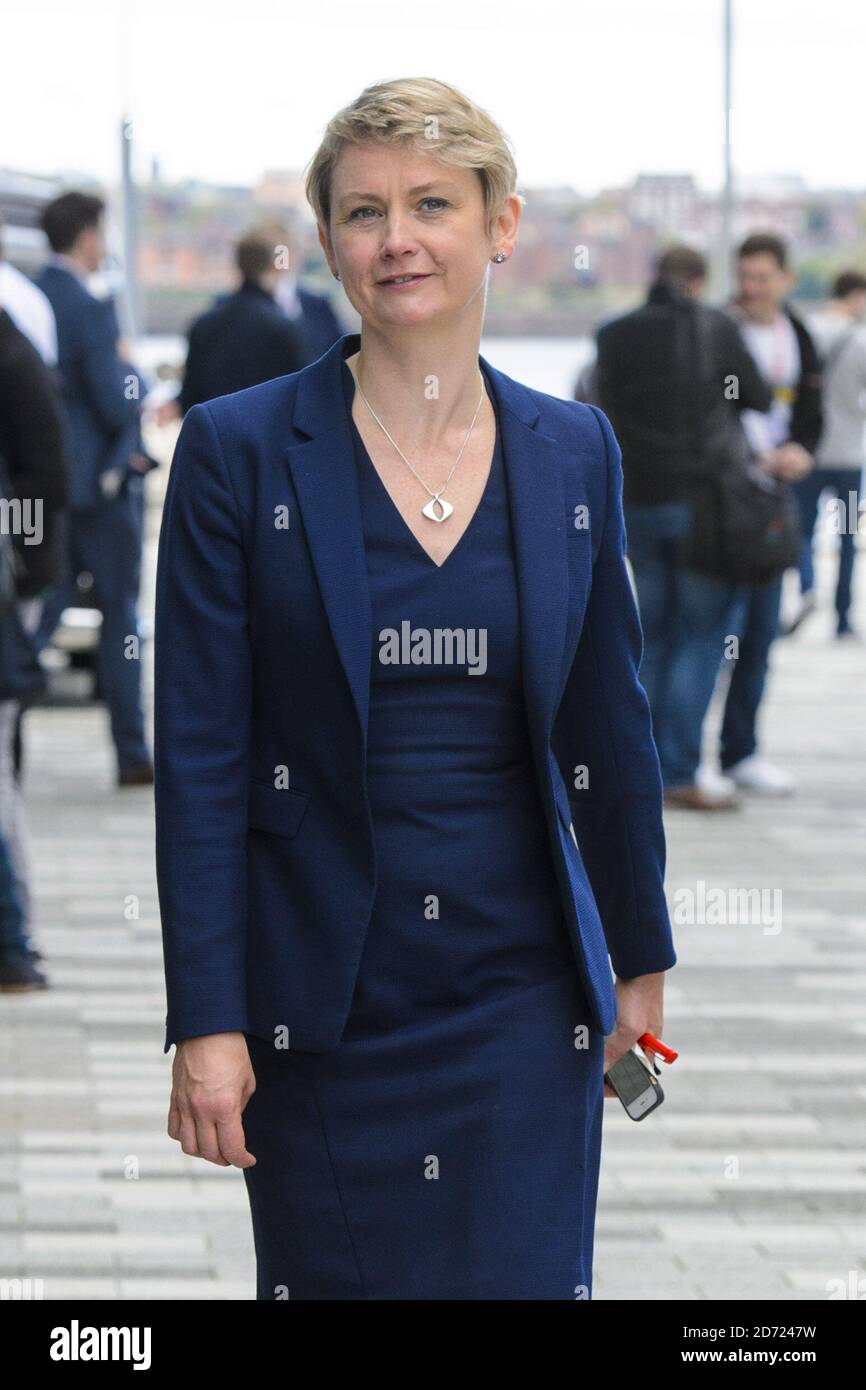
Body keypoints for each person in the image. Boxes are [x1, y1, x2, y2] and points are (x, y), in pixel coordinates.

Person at [155, 76, 678, 1302]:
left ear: (500, 224)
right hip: (320, 1002)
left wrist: (636, 956)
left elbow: (610, 719)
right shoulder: (237, 451)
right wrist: (207, 1020)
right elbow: (201, 758)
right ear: (328, 245)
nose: (396, 238)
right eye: (362, 211)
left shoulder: (573, 449)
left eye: (432, 203)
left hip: (522, 993)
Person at [595, 245, 772, 810]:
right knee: (701, 637)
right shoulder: (714, 325)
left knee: (651, 636)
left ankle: (636, 767)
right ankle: (677, 772)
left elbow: (600, 402)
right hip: (703, 504)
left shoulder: (612, 333)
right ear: (698, 281)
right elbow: (757, 396)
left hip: (638, 501)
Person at [34, 191, 154, 787]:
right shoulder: (91, 307)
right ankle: (132, 754)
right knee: (120, 621)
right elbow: (116, 399)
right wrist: (136, 375)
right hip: (102, 490)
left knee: (38, 615)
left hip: (48, 487)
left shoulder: (30, 300)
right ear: (86, 236)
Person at [717, 233, 821, 796]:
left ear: (785, 277)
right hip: (724, 499)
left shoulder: (798, 334)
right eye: (745, 276)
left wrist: (801, 450)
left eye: (762, 277)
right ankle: (687, 760)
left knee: (758, 634)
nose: (751, 287)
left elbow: (812, 410)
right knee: (713, 634)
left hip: (776, 501)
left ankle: (743, 752)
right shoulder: (718, 332)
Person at [0, 304, 69, 989]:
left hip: (11, 583)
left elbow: (46, 474)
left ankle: (15, 940)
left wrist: (23, 566)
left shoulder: (14, 359)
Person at [787, 269, 866, 638]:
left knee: (801, 531)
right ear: (857, 296)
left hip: (809, 456)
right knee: (847, 536)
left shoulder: (807, 333)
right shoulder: (862, 341)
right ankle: (843, 619)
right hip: (849, 459)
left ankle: (806, 588)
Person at [178, 225, 308, 414]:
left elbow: (189, 399)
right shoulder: (283, 328)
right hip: (268, 438)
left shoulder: (203, 325)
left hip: (214, 436)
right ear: (275, 267)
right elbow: (305, 397)